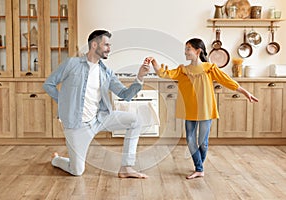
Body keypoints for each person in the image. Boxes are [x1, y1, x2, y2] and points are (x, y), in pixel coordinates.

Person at [145, 38, 258, 179]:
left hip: (206, 110)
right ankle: (199, 168)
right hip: (189, 110)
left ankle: (199, 167)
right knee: (191, 140)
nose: (185, 52)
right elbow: (164, 74)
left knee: (203, 143)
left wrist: (246, 92)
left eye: (188, 49)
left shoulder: (210, 68)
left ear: (198, 51)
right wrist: (154, 62)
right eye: (185, 49)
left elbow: (227, 81)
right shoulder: (183, 70)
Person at [43, 30, 149, 178]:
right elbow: (49, 84)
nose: (109, 48)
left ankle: (126, 167)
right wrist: (64, 104)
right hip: (77, 125)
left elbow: (125, 95)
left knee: (136, 121)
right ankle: (57, 160)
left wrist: (140, 77)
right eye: (106, 45)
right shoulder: (72, 64)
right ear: (94, 45)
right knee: (77, 171)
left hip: (100, 118)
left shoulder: (106, 72)